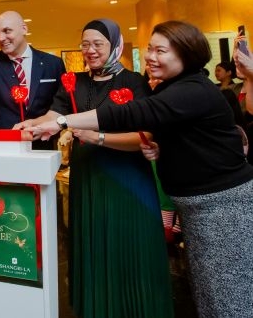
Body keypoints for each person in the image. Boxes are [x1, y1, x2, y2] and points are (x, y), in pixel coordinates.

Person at [25, 20, 253, 318]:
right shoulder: (171, 87)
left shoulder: (191, 89)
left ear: (186, 54)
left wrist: (65, 122)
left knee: (230, 295)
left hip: (221, 205)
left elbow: (134, 114)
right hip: (196, 204)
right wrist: (159, 147)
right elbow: (171, 131)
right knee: (210, 290)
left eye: (160, 51)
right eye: (150, 49)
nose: (150, 57)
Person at [18, 18, 173, 318]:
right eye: (85, 44)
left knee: (129, 248)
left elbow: (145, 136)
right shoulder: (73, 82)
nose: (90, 50)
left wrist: (98, 138)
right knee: (93, 246)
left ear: (115, 45)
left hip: (127, 179)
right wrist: (30, 124)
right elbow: (53, 116)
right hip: (87, 176)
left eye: (98, 44)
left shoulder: (134, 82)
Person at [0, 10, 65, 147]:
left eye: (7, 31)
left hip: (43, 143)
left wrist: (46, 125)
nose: (1, 38)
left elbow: (62, 103)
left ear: (24, 29)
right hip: (3, 144)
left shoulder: (53, 63)